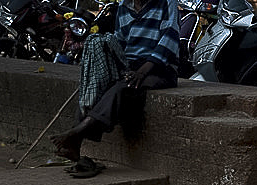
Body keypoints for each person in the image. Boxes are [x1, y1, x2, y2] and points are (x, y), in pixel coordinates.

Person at [51, 0, 178, 172]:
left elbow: (169, 39)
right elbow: (120, 41)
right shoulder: (124, 6)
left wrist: (142, 71)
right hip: (130, 66)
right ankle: (75, 146)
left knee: (122, 89)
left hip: (158, 69)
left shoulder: (166, 3)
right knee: (93, 85)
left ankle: (77, 132)